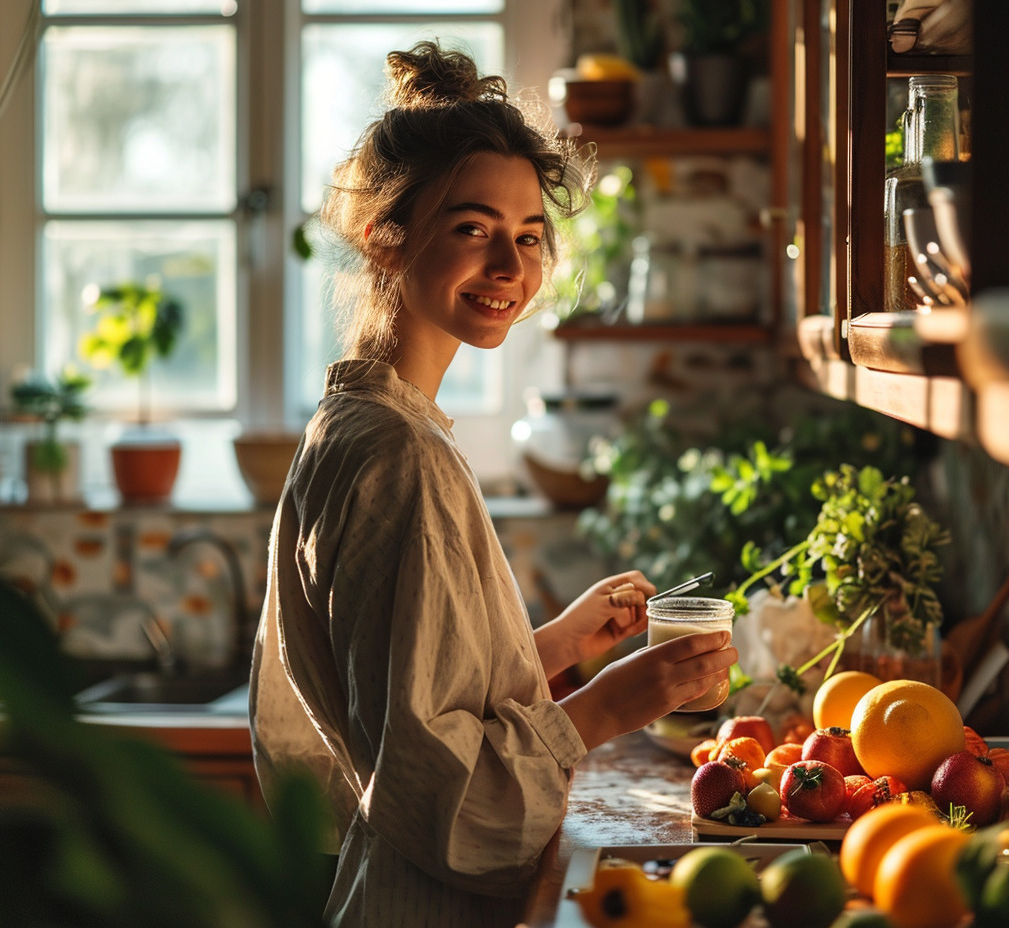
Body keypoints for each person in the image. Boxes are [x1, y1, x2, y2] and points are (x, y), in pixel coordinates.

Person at [248, 41, 737, 928]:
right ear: (385, 239)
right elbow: (443, 787)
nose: (510, 269)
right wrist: (614, 703)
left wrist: (551, 646)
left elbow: (405, 693)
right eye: (471, 229)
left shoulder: (354, 418)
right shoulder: (402, 457)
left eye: (527, 237)